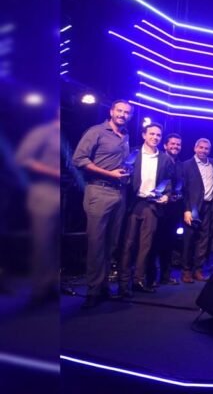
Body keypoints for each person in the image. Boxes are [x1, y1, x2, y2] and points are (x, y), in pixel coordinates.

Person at [72, 100, 133, 308]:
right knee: (96, 243)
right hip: (99, 190)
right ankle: (93, 290)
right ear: (111, 111)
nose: (123, 114)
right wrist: (109, 174)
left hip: (119, 193)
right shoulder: (96, 131)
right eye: (119, 111)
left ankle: (104, 286)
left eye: (126, 112)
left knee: (111, 244)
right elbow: (79, 159)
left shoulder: (125, 136)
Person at [118, 123, 173, 296]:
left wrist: (167, 196)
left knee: (146, 246)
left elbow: (168, 182)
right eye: (152, 134)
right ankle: (123, 283)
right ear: (144, 135)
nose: (155, 137)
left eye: (158, 135)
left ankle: (138, 281)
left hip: (151, 205)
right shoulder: (133, 153)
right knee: (128, 244)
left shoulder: (164, 158)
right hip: (133, 203)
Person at [15, 112, 61, 303]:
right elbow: (22, 159)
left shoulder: (63, 135)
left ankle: (51, 285)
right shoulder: (43, 132)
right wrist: (54, 172)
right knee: (42, 242)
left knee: (56, 243)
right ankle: (39, 290)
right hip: (44, 191)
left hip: (60, 192)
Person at [181, 138, 213, 283]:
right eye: (201, 147)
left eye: (206, 148)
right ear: (195, 148)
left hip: (208, 207)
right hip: (193, 208)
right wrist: (186, 210)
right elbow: (183, 190)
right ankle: (186, 270)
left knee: (204, 239)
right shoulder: (186, 165)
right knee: (189, 239)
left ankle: (198, 269)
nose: (203, 150)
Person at [148, 132, 183, 286]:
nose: (175, 146)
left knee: (169, 244)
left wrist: (177, 196)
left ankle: (165, 276)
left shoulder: (180, 164)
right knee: (153, 244)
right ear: (165, 145)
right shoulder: (158, 160)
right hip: (157, 208)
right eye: (172, 144)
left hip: (173, 210)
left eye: (178, 144)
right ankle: (150, 278)